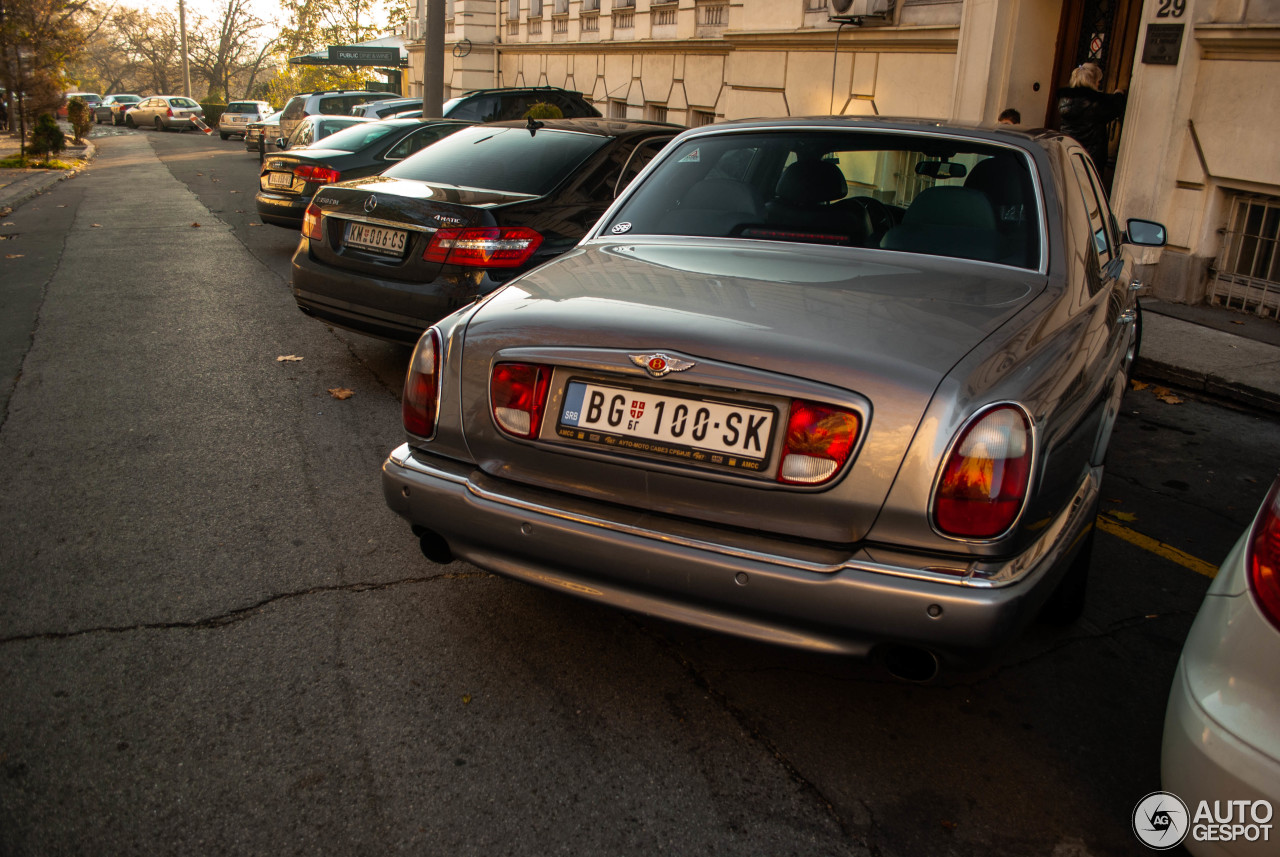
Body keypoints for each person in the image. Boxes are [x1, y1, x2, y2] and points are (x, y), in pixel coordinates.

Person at [1056, 62, 1126, 173]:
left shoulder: (1064, 99)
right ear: (1093, 82)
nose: (1099, 85)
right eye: (1098, 82)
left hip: (1068, 151)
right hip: (1090, 157)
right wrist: (1119, 94)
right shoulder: (1095, 102)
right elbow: (1116, 107)